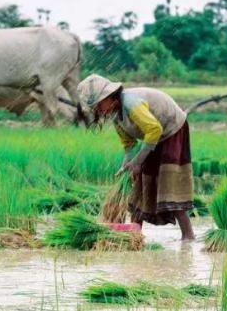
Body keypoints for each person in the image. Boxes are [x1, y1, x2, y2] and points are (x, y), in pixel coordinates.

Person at [77, 74, 195, 240]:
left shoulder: (131, 104)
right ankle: (134, 234)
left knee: (168, 184)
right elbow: (129, 144)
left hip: (172, 130)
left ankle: (188, 236)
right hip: (153, 136)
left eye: (98, 105)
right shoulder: (115, 114)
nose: (97, 110)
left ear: (109, 97)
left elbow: (154, 129)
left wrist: (138, 162)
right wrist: (127, 165)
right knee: (140, 184)